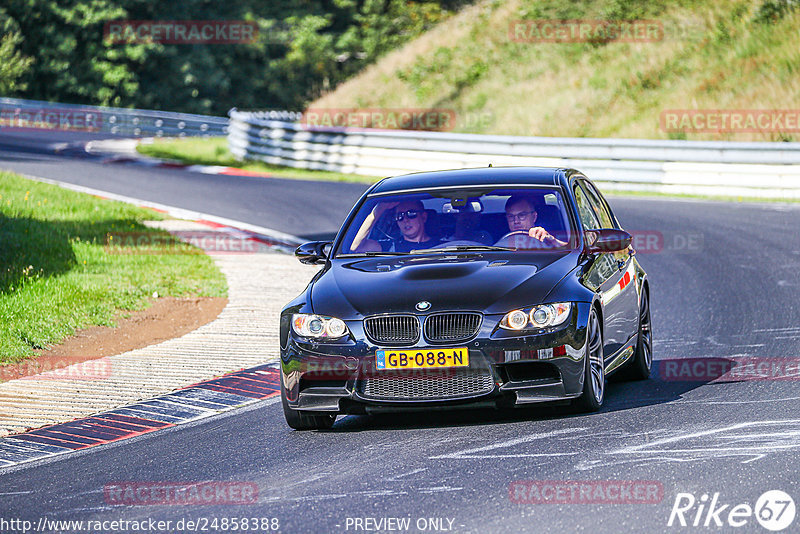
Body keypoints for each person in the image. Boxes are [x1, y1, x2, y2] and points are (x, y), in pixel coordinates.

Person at [350, 199, 442, 253]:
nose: (405, 219)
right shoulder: (388, 247)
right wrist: (379, 209)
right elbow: (355, 247)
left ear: (423, 217)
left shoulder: (445, 246)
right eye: (400, 216)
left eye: (411, 214)